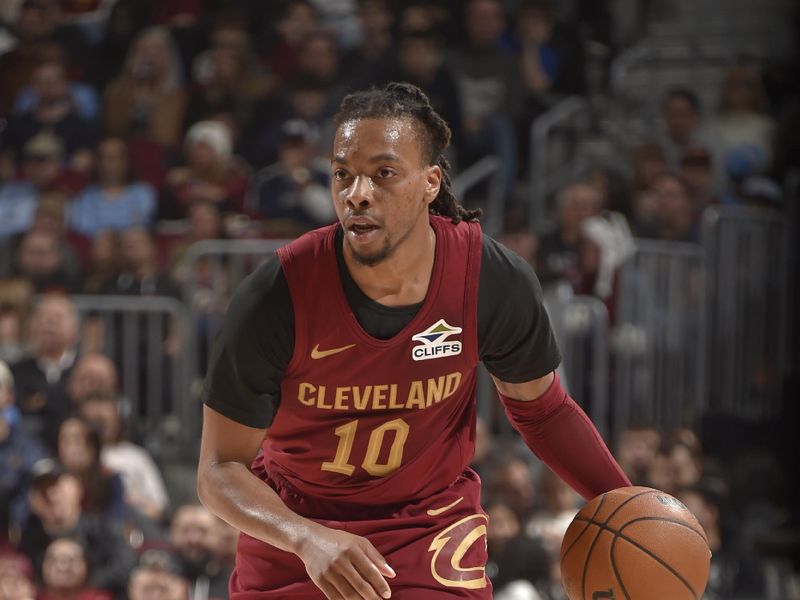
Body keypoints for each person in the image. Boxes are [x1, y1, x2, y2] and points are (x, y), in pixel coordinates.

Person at [197, 82, 630, 599]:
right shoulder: (277, 294)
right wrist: (305, 537)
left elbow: (543, 411)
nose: (357, 192)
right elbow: (219, 469)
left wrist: (630, 507)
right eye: (342, 174)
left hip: (428, 526)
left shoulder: (490, 279)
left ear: (430, 183)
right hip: (297, 530)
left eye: (383, 174)